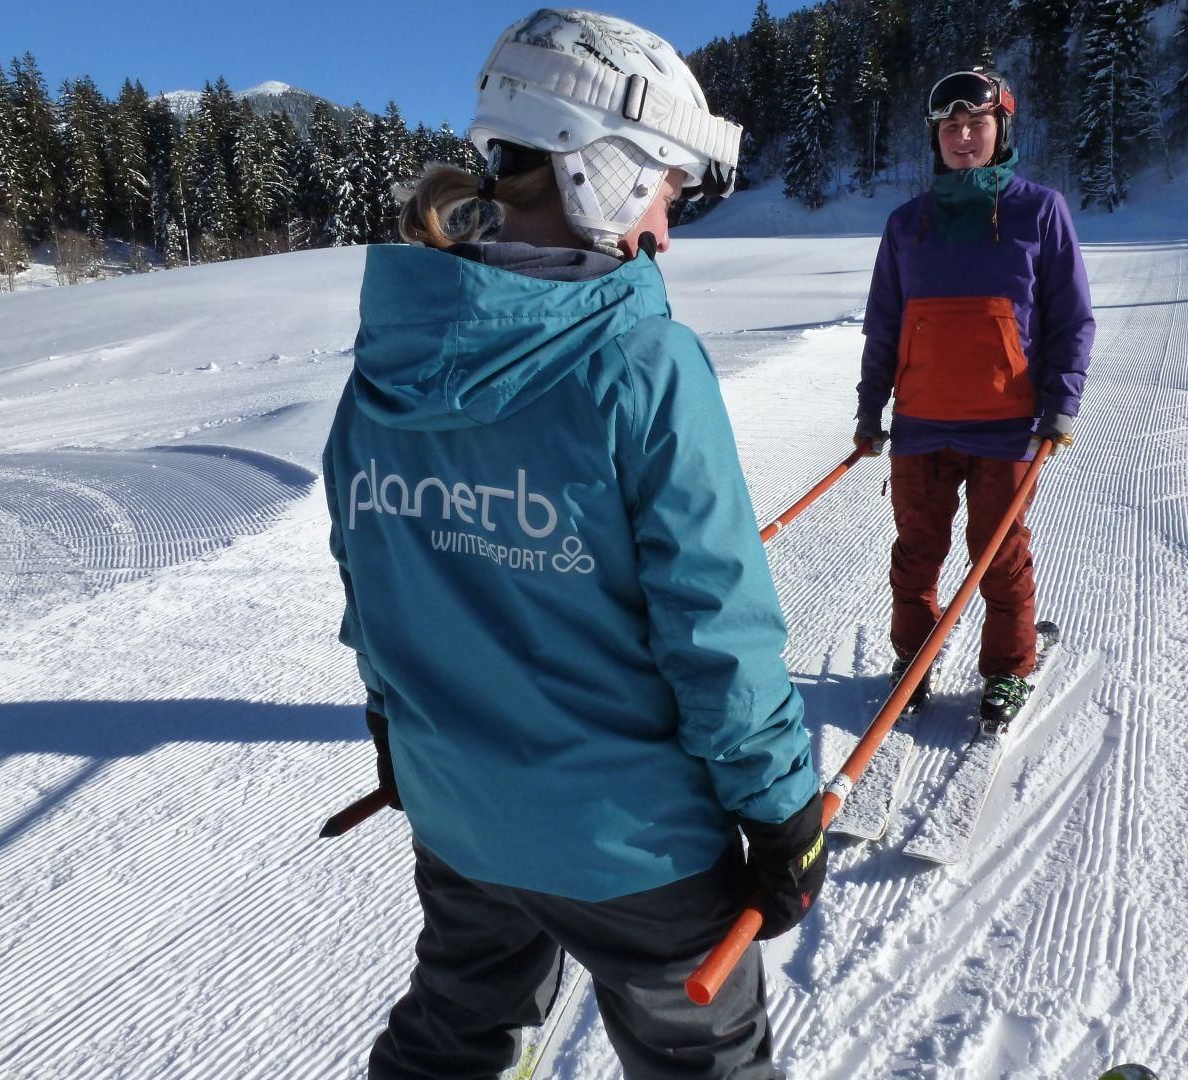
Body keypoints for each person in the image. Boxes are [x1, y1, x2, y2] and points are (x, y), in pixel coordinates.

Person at [321, 10, 826, 1079]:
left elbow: (373, 581)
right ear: (605, 168)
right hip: (635, 852)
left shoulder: (387, 356)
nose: (664, 233)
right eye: (664, 192)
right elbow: (716, 630)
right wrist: (782, 813)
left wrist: (390, 720)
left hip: (460, 815)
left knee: (455, 1032)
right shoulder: (643, 363)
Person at [853, 68, 1095, 730]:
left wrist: (1060, 403)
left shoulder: (1040, 210)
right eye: (950, 127)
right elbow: (884, 323)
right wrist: (871, 409)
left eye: (976, 125)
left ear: (1002, 130)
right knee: (916, 551)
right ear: (936, 137)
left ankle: (1008, 672)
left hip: (1008, 424)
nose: (963, 137)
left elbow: (1071, 318)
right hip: (922, 423)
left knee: (1000, 554)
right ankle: (913, 661)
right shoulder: (908, 223)